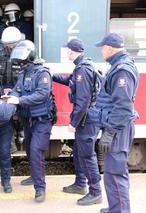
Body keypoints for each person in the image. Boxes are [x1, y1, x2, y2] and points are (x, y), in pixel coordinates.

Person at [52, 38, 103, 206]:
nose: (66, 52)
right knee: (78, 150)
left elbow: (83, 101)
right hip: (86, 116)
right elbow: (69, 81)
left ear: (71, 51)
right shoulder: (80, 67)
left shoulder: (83, 70)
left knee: (88, 155)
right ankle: (80, 184)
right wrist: (51, 75)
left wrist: (73, 123)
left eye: (67, 50)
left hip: (87, 118)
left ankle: (95, 192)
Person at [94, 33, 139, 213]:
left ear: (110, 48)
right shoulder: (117, 67)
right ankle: (115, 208)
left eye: (102, 47)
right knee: (112, 174)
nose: (101, 51)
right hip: (115, 126)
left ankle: (120, 210)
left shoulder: (122, 70)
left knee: (116, 174)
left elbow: (123, 107)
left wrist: (110, 132)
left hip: (118, 129)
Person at [5, 40, 56, 202]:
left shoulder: (43, 73)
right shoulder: (24, 73)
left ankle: (40, 188)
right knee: (28, 148)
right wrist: (11, 95)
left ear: (31, 57)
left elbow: (42, 94)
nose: (20, 64)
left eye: (23, 61)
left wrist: (19, 101)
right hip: (28, 120)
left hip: (42, 120)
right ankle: (34, 176)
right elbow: (17, 89)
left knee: (35, 151)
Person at [0, 26, 23, 153]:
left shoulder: (25, 51)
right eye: (7, 45)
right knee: (7, 114)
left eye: (12, 45)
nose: (9, 47)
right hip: (5, 86)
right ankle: (10, 146)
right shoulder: (0, 51)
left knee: (20, 112)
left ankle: (20, 132)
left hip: (20, 87)